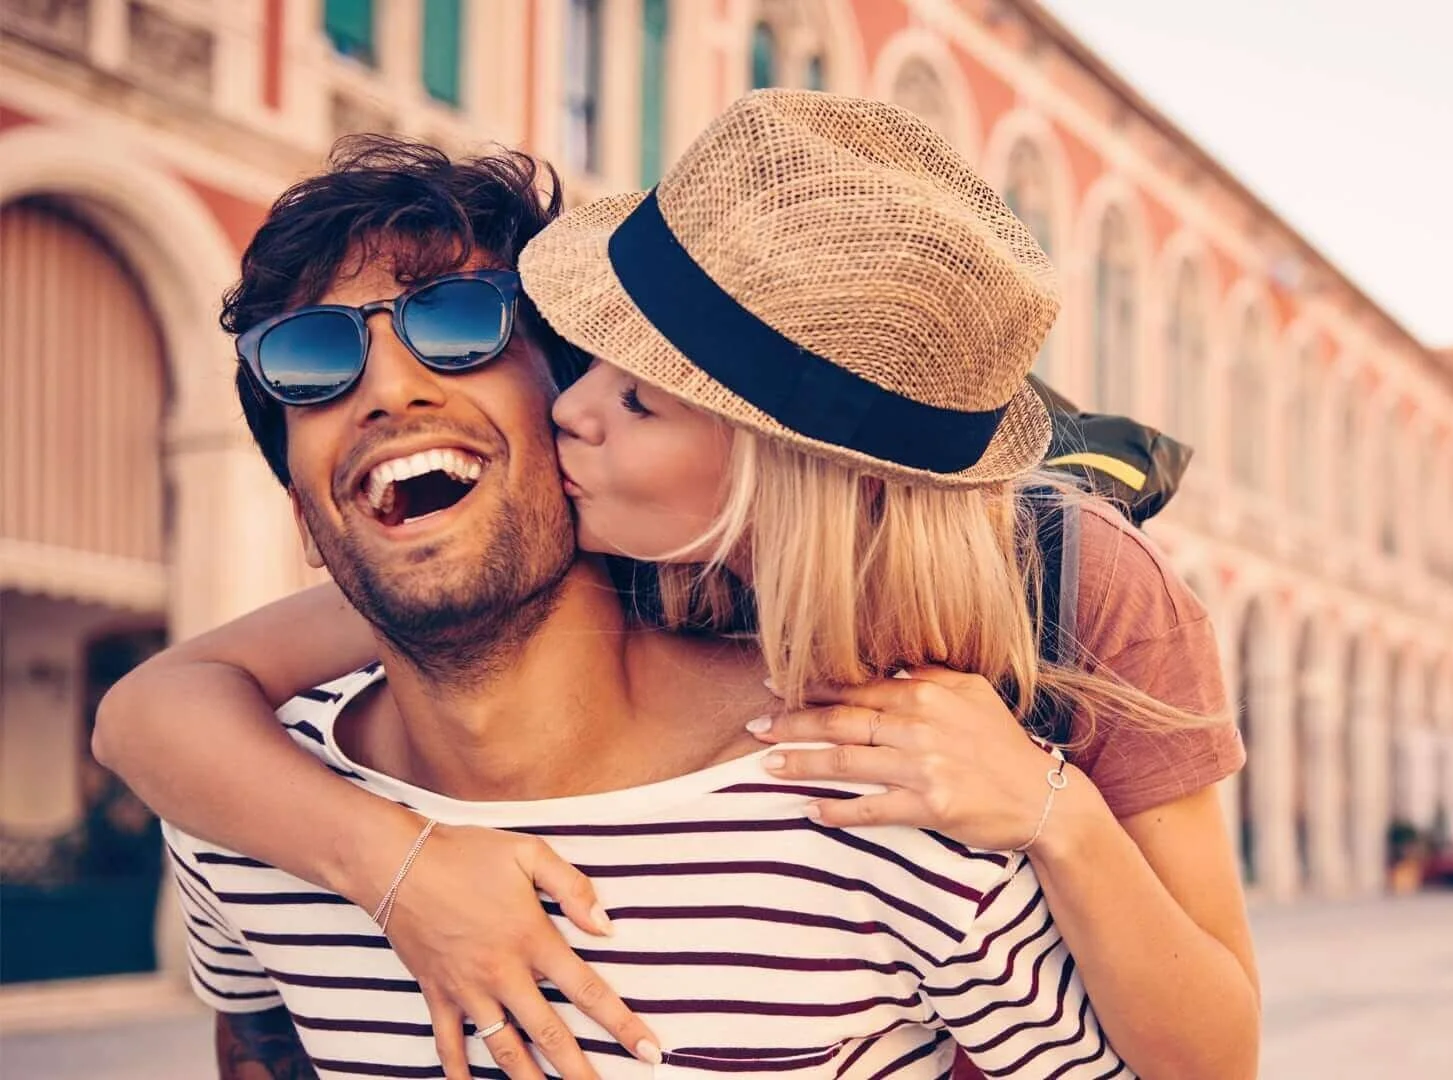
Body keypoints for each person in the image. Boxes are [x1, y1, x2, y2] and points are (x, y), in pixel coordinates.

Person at [96, 92, 1258, 1079]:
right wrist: (395, 864)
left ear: (771, 468)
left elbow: (1214, 1053)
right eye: (593, 356)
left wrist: (1054, 813)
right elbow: (156, 709)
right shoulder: (593, 551)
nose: (571, 409)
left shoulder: (1073, 590)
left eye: (641, 392)